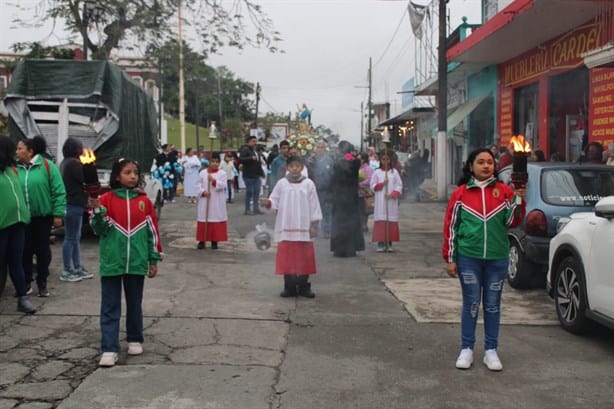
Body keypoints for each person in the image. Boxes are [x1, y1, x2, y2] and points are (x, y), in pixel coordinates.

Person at [442, 148, 526, 372]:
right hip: (469, 257)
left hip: (497, 259)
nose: (486, 166)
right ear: (471, 166)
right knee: (470, 304)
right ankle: (466, 349)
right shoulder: (460, 194)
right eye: (481, 162)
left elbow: (513, 221)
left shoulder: (505, 192)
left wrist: (519, 198)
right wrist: (450, 257)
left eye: (490, 162)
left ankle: (491, 351)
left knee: (492, 304)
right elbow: (450, 227)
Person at [89, 158, 163, 367]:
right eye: (127, 172)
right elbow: (99, 230)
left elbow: (152, 232)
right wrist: (97, 213)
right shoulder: (105, 199)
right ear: (116, 176)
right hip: (112, 260)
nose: (132, 176)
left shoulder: (145, 201)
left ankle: (134, 337)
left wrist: (153, 258)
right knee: (110, 305)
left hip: (137, 261)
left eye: (135, 172)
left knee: (134, 303)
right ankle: (109, 348)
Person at [260, 155, 322, 297]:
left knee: (304, 258)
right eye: (292, 166)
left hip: (303, 226)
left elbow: (314, 206)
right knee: (288, 258)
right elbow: (274, 200)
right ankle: (289, 287)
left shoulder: (308, 184)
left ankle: (304, 286)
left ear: (302, 168)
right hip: (286, 225)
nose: (295, 169)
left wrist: (314, 225)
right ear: (287, 168)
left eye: (297, 166)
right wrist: (267, 202)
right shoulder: (282, 183)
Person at [16, 137, 66, 297]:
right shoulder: (16, 168)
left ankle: (42, 282)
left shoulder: (46, 166)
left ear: (30, 151)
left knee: (42, 250)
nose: (17, 152)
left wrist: (58, 214)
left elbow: (59, 190)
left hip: (43, 218)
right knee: (25, 250)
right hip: (23, 218)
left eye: (20, 149)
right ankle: (26, 282)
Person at [0, 137, 37, 314]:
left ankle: (23, 298)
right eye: (12, 149)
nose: (15, 152)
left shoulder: (11, 170)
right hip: (2, 226)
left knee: (17, 262)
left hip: (18, 224)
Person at [59, 137, 93, 282]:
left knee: (74, 237)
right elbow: (84, 179)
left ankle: (77, 266)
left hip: (71, 203)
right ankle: (67, 269)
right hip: (74, 203)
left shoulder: (65, 162)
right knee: (71, 237)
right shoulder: (74, 163)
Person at [330, 141, 365, 257]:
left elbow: (333, 180)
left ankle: (340, 248)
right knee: (351, 222)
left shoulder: (338, 162)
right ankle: (351, 248)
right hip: (351, 196)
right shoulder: (355, 161)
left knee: (340, 222)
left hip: (340, 196)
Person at [370, 150, 403, 252]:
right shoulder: (377, 172)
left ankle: (389, 243)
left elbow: (399, 185)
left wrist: (392, 194)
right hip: (381, 201)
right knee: (381, 220)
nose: (385, 161)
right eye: (383, 159)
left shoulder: (394, 173)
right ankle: (380, 243)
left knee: (390, 220)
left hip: (391, 201)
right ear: (380, 160)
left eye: (387, 159)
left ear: (390, 160)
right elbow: (372, 185)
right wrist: (381, 184)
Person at [196, 152, 228, 250]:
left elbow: (223, 185)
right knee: (204, 218)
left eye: (217, 162)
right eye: (213, 161)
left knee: (215, 219)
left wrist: (213, 181)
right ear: (209, 162)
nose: (215, 164)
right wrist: (203, 192)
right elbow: (197, 185)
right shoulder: (203, 173)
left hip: (217, 201)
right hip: (205, 200)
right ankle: (202, 240)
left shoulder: (222, 173)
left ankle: (215, 240)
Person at [308, 140, 334, 238]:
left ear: (325, 149)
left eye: (322, 147)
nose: (320, 149)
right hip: (314, 190)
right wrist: (311, 160)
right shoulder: (311, 160)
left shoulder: (329, 161)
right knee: (313, 211)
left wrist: (331, 191)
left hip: (326, 190)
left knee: (326, 211)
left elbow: (333, 176)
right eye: (318, 147)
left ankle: (327, 230)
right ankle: (313, 229)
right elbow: (307, 171)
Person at [239, 136, 265, 215]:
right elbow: (241, 159)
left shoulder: (255, 151)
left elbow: (258, 163)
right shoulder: (245, 149)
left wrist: (261, 173)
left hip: (256, 174)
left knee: (257, 192)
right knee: (250, 191)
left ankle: (256, 208)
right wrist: (250, 158)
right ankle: (247, 209)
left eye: (256, 141)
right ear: (249, 142)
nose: (255, 143)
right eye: (253, 141)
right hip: (248, 175)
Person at [358, 152, 373, 232]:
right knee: (359, 209)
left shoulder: (367, 168)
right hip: (357, 193)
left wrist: (360, 184)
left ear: (363, 160)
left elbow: (369, 179)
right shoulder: (357, 168)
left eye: (359, 158)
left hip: (364, 193)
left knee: (364, 209)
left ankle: (364, 225)